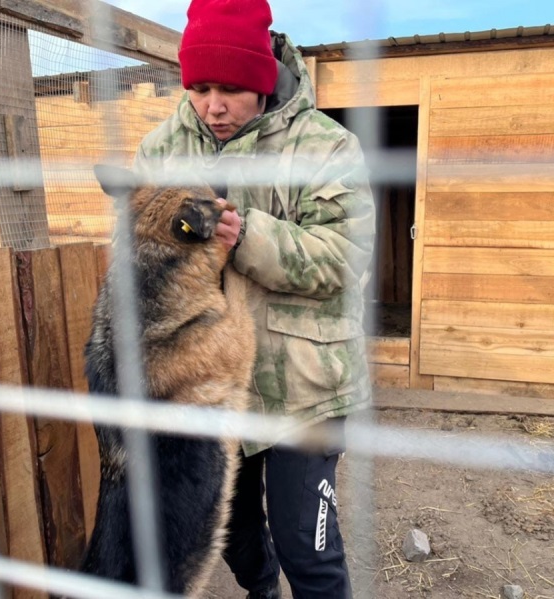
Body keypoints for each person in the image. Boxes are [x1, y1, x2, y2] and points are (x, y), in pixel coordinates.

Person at [132, 0, 375, 597]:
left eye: (232, 90)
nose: (213, 106)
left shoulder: (326, 147)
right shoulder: (161, 151)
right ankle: (261, 591)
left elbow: (346, 259)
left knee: (308, 547)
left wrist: (248, 237)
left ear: (264, 80)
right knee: (229, 532)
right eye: (200, 88)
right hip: (208, 384)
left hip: (305, 386)